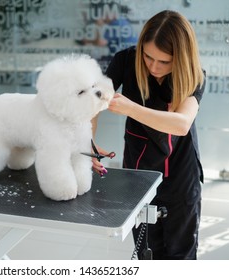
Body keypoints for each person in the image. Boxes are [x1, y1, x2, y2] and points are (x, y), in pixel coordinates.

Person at [91, 10, 206, 260]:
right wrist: (87, 144)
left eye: (164, 62)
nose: (153, 66)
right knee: (146, 253)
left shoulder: (194, 75)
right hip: (139, 171)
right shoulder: (125, 61)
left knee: (180, 256)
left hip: (181, 175)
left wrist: (131, 108)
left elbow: (181, 124)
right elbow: (92, 103)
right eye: (147, 56)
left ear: (181, 58)